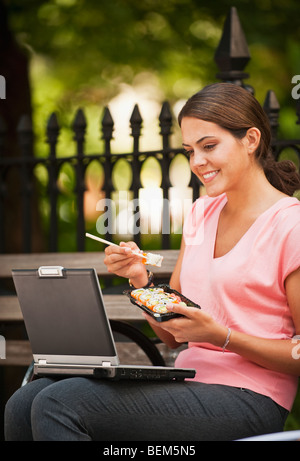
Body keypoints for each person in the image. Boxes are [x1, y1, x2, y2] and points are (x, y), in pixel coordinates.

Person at [4, 83, 300, 441]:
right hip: (188, 382)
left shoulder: (290, 225)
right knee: (24, 402)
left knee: (60, 403)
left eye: (209, 146)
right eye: (190, 151)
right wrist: (140, 281)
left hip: (250, 398)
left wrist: (221, 337)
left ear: (251, 139)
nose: (197, 162)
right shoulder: (202, 213)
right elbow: (171, 336)